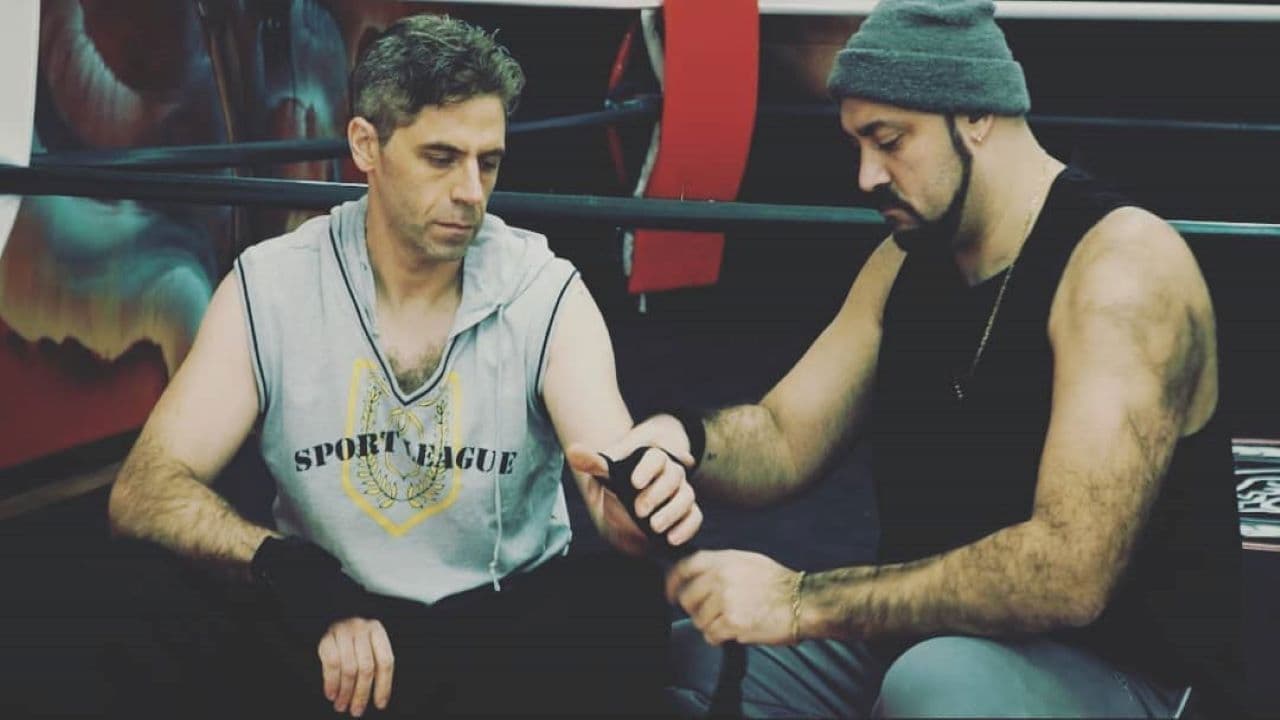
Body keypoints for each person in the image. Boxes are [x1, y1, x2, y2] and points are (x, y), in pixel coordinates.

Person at [571, 0, 1243, 716]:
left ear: (976, 116)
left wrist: (800, 600)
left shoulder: (1122, 268)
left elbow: (1068, 574)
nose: (866, 175)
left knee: (936, 681)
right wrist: (678, 441)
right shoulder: (905, 260)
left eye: (889, 141)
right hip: (926, 641)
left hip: (1119, 673)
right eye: (857, 144)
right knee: (696, 655)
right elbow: (783, 435)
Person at [106, 13, 701, 718]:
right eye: (441, 158)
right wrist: (285, 569)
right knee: (140, 594)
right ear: (367, 145)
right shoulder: (272, 286)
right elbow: (143, 489)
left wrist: (641, 502)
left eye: (488, 162)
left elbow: (609, 493)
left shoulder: (544, 290)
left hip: (501, 630)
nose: (472, 191)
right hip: (333, 625)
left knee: (621, 606)